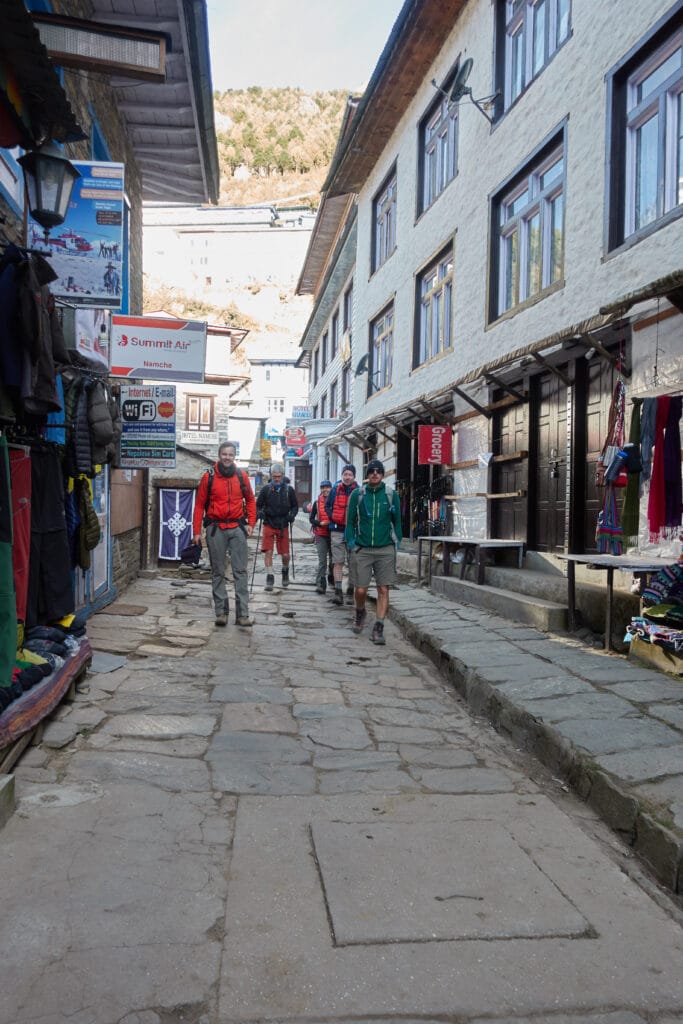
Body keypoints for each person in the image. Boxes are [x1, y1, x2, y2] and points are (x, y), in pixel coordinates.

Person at [192, 442, 256, 627]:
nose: (227, 457)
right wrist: (196, 531)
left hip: (237, 527)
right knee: (218, 571)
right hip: (216, 528)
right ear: (219, 455)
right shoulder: (208, 477)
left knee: (240, 571)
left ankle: (242, 615)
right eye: (224, 454)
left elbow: (251, 500)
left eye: (230, 454)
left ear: (234, 456)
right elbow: (199, 505)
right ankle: (221, 613)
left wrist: (251, 523)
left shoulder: (241, 476)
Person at [345, 459, 402, 645]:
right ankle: (360, 611)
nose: (375, 473)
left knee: (383, 589)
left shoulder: (391, 495)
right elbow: (350, 521)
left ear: (383, 474)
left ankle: (378, 627)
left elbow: (398, 521)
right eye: (371, 471)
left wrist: (397, 542)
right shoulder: (357, 494)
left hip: (385, 548)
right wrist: (352, 543)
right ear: (367, 474)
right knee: (360, 589)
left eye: (378, 471)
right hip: (363, 549)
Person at [256, 462, 298, 591]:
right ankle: (270, 576)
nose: (277, 479)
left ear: (283, 475)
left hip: (283, 524)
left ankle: (285, 571)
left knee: (285, 554)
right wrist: (260, 513)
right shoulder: (266, 489)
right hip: (269, 522)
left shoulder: (289, 490)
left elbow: (295, 506)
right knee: (268, 551)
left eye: (279, 476)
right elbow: (258, 505)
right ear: (271, 476)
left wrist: (292, 515)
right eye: (274, 476)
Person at [325, 464, 359, 606]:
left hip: (354, 531)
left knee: (354, 562)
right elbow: (327, 506)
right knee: (337, 562)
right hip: (337, 530)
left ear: (354, 476)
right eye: (345, 474)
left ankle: (351, 591)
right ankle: (338, 592)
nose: (347, 477)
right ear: (342, 475)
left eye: (350, 474)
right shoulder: (334, 490)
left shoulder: (359, 491)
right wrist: (333, 517)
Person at [309, 479, 333, 594]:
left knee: (334, 561)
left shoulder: (335, 501)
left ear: (331, 488)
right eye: (323, 487)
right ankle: (320, 584)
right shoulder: (317, 503)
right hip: (321, 534)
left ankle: (332, 577)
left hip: (334, 534)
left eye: (327, 487)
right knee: (322, 561)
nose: (325, 490)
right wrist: (319, 524)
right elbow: (311, 519)